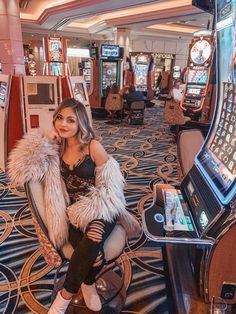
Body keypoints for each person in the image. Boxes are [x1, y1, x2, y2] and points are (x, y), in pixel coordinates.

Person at [8, 98, 140, 314]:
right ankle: (87, 283)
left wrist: (95, 208)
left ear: (81, 123)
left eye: (71, 120)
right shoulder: (54, 149)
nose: (63, 124)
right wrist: (43, 142)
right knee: (86, 249)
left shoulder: (93, 147)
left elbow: (110, 188)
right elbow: (23, 170)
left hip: (100, 205)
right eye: (60, 118)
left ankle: (64, 297)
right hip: (70, 211)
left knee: (94, 233)